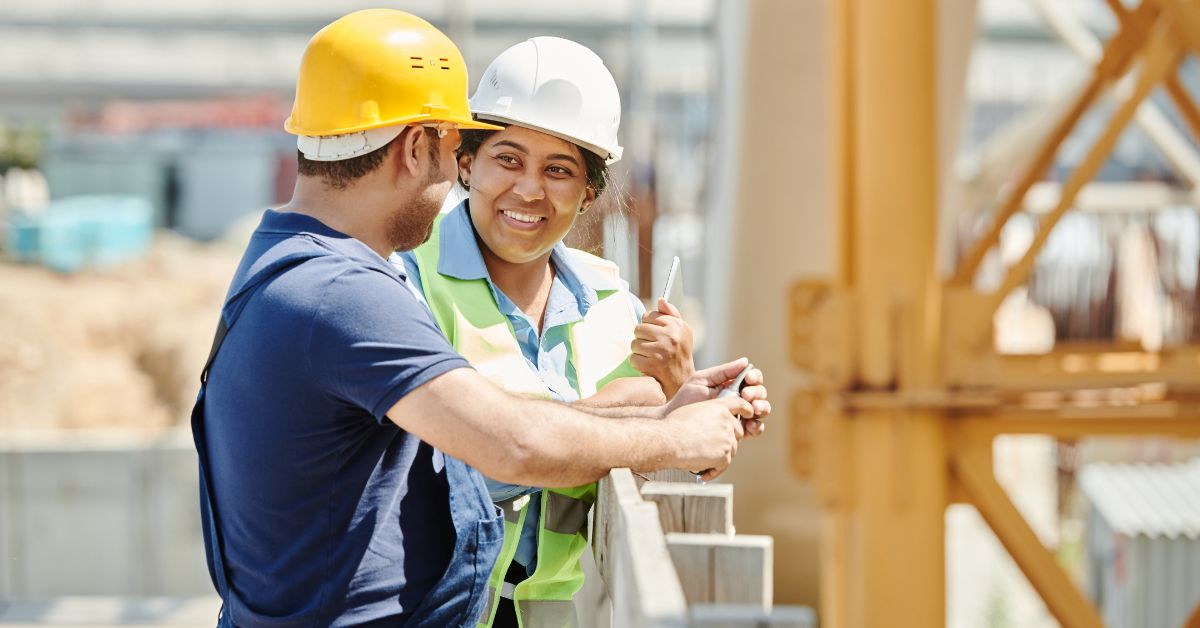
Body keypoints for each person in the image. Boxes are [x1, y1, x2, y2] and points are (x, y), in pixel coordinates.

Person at [192, 10, 767, 627]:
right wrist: (674, 438)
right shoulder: (346, 293)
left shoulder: (297, 266)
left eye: (558, 169)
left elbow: (469, 439)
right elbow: (508, 445)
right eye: (455, 148)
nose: (453, 176)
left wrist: (654, 409)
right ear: (418, 148)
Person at [396, 37, 768, 628]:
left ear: (589, 191)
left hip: (546, 613)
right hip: (429, 608)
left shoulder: (611, 302)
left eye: (559, 170)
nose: (529, 189)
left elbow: (646, 457)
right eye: (508, 159)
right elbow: (460, 459)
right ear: (467, 163)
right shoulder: (408, 281)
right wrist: (625, 413)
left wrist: (684, 391)